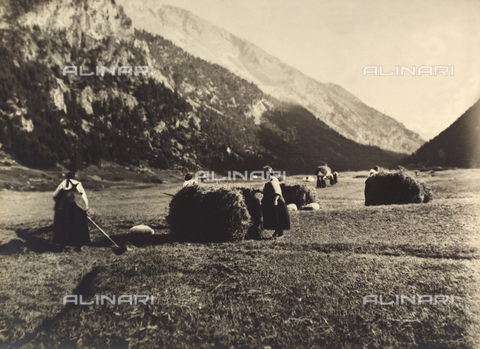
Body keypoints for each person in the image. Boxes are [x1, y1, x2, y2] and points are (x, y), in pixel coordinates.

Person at [52, 171, 90, 249]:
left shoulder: (63, 183)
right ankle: (78, 246)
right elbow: (84, 197)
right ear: (75, 177)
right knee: (78, 226)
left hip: (63, 209)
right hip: (76, 208)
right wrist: (86, 207)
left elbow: (54, 194)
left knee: (63, 226)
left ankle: (62, 245)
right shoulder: (78, 184)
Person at [261, 166, 290, 239]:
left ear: (270, 173)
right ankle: (278, 233)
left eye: (266, 172)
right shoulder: (268, 181)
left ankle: (278, 234)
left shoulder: (273, 180)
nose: (265, 174)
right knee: (275, 217)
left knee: (277, 217)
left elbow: (277, 191)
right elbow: (265, 190)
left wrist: (275, 200)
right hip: (272, 201)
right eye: (264, 172)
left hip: (277, 201)